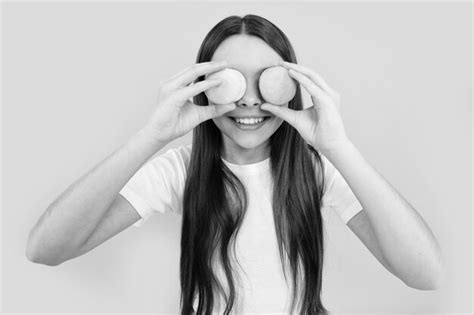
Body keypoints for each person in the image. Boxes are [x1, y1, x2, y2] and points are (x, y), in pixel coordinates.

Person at [26, 14, 445, 315]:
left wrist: (339, 147)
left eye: (264, 78)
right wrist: (150, 137)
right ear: (205, 89)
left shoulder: (314, 168)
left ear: (290, 87)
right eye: (233, 80)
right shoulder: (182, 171)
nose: (247, 99)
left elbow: (426, 274)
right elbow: (45, 248)